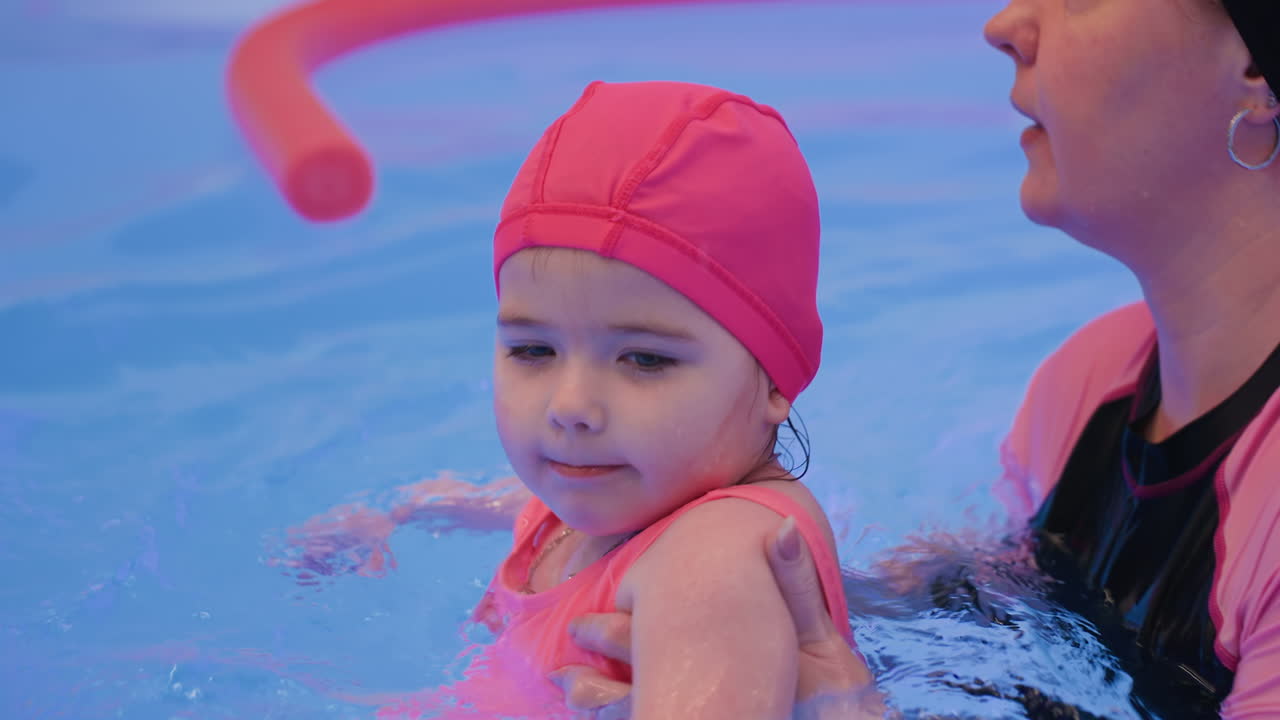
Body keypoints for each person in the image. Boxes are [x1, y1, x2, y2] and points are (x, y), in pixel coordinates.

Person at [303, 78, 861, 720]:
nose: (569, 405)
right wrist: (411, 509)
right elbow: (524, 511)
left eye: (645, 359)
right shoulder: (607, 498)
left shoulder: (714, 558)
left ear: (776, 380)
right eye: (533, 350)